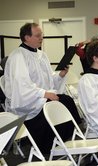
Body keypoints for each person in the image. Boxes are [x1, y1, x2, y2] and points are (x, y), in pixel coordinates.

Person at [4, 23, 82, 154]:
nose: (41, 38)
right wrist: (45, 94)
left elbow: (50, 79)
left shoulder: (42, 55)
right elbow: (22, 86)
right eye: (38, 35)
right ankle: (47, 145)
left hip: (41, 97)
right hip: (26, 102)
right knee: (60, 102)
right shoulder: (18, 56)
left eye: (42, 35)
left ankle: (67, 139)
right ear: (27, 37)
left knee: (67, 100)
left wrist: (60, 75)